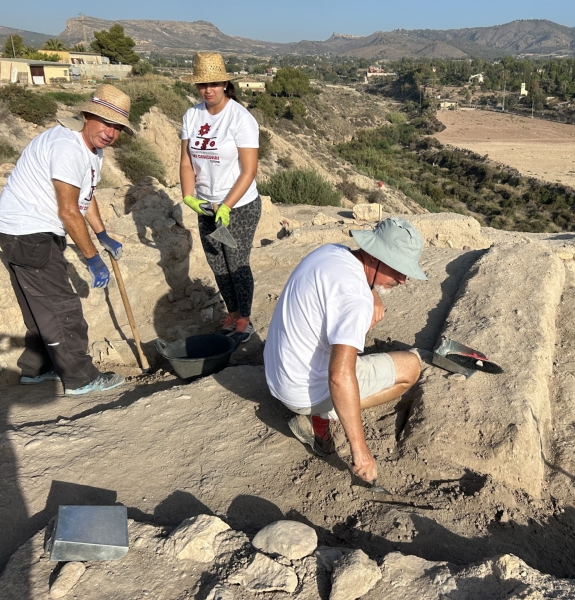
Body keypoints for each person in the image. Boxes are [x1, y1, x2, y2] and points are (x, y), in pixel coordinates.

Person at [0, 84, 131, 395]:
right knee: (62, 308)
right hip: (29, 230)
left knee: (38, 307)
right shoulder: (68, 146)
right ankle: (81, 378)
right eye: (105, 122)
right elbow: (69, 212)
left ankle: (38, 368)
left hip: (18, 226)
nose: (110, 132)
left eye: (117, 127)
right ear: (88, 115)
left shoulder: (92, 148)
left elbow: (85, 194)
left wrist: (102, 232)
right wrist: (92, 258)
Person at [264, 217, 427, 484]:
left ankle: (319, 410)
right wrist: (360, 451)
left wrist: (373, 293)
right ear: (374, 256)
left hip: (278, 372)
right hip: (300, 391)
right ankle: (317, 419)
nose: (403, 279)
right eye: (398, 269)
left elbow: (352, 284)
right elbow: (340, 377)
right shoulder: (355, 300)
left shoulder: (331, 252)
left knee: (347, 354)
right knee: (411, 368)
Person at [180, 52, 261, 342]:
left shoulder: (240, 119)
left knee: (236, 262)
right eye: (202, 84)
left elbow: (249, 171)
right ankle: (233, 312)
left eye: (214, 83)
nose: (208, 89)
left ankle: (246, 319)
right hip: (206, 206)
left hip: (238, 207)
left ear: (225, 83)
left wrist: (226, 206)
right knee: (218, 264)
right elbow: (187, 162)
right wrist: (189, 196)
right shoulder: (192, 115)